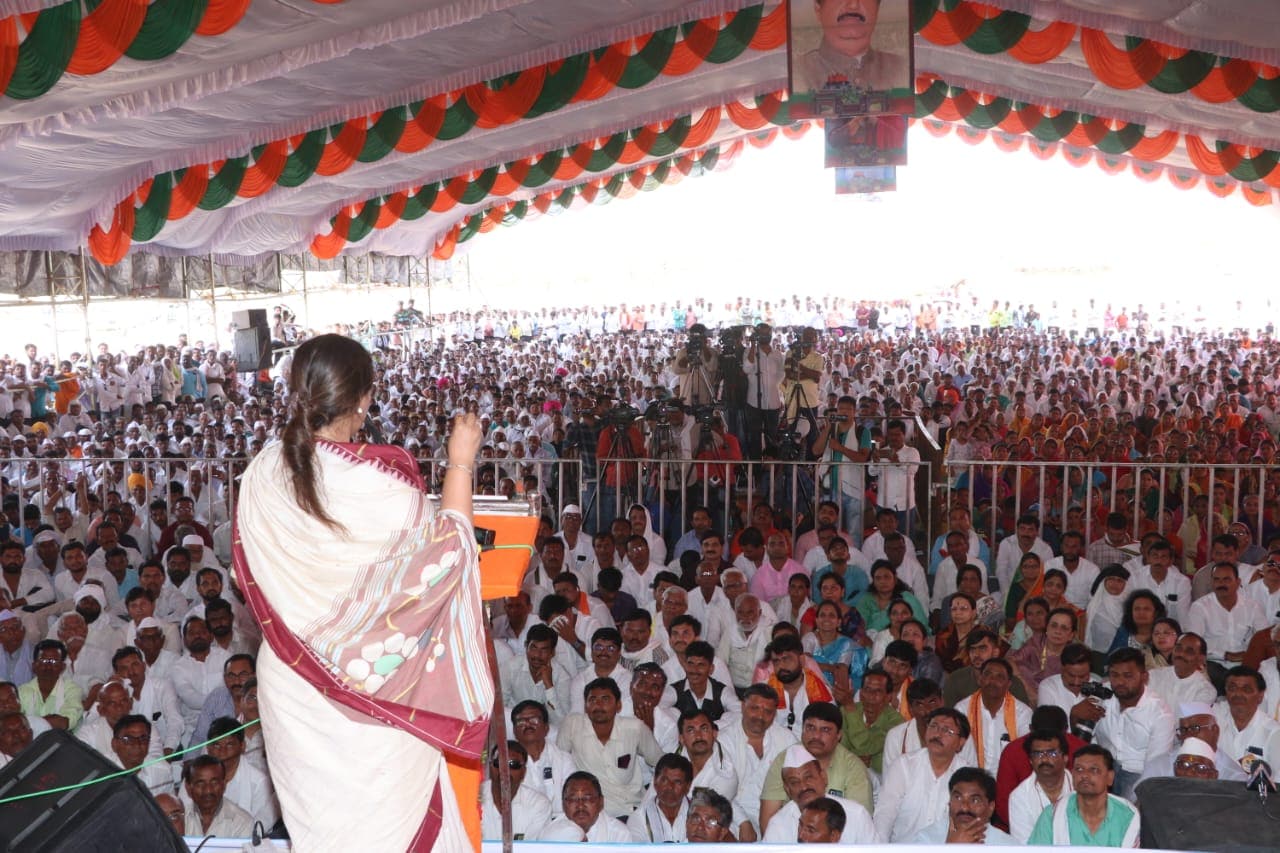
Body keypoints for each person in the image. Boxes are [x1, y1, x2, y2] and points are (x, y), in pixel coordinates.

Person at [234, 334, 493, 850]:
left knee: (325, 832)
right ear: (365, 399)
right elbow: (448, 559)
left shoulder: (260, 474)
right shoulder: (390, 494)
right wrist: (460, 461)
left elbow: (248, 581)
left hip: (293, 684)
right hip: (380, 690)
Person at [875, 707, 973, 841]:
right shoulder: (903, 766)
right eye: (934, 726)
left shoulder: (968, 777)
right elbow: (884, 816)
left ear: (961, 743)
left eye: (947, 730)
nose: (938, 734)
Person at [1091, 647, 1176, 799]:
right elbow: (1085, 737)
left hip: (1138, 773)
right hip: (1103, 767)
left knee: (1127, 811)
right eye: (1114, 675)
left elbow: (1154, 768)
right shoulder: (1102, 695)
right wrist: (1075, 715)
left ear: (1144, 677)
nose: (1120, 682)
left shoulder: (1160, 714)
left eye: (1128, 676)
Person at [762, 744, 880, 843]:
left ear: (823, 778)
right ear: (787, 790)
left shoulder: (857, 815)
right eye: (794, 782)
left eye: (809, 777)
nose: (803, 787)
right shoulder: (778, 825)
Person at [1027, 745, 1141, 846]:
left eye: (1094, 770)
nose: (1085, 775)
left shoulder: (1128, 816)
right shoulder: (1052, 815)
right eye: (1079, 769)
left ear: (1110, 777)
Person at [910, 766, 1015, 845]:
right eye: (958, 798)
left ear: (991, 807)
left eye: (974, 800)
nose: (964, 807)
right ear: (949, 802)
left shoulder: (1007, 846)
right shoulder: (926, 839)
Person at [1007, 728, 1075, 844]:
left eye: (1052, 753)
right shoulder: (1019, 797)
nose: (1044, 759)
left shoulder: (1080, 787)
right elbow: (1025, 846)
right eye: (1037, 754)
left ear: (1065, 758)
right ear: (1030, 760)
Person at [481, 740, 551, 841]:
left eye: (513, 764)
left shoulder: (538, 805)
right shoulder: (472, 798)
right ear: (491, 767)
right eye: (499, 763)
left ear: (523, 772)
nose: (505, 770)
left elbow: (528, 849)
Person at [537, 771, 632, 842]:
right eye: (573, 799)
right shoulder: (550, 834)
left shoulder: (619, 835)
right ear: (563, 804)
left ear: (601, 802)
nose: (580, 805)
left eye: (587, 798)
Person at [182, 754, 256, 837]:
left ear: (224, 785)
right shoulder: (181, 818)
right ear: (188, 788)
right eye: (200, 783)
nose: (208, 790)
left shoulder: (243, 822)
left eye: (214, 782)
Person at [628, 753, 693, 843]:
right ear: (655, 781)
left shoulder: (700, 817)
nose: (670, 787)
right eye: (664, 780)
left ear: (688, 786)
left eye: (677, 782)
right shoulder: (639, 818)